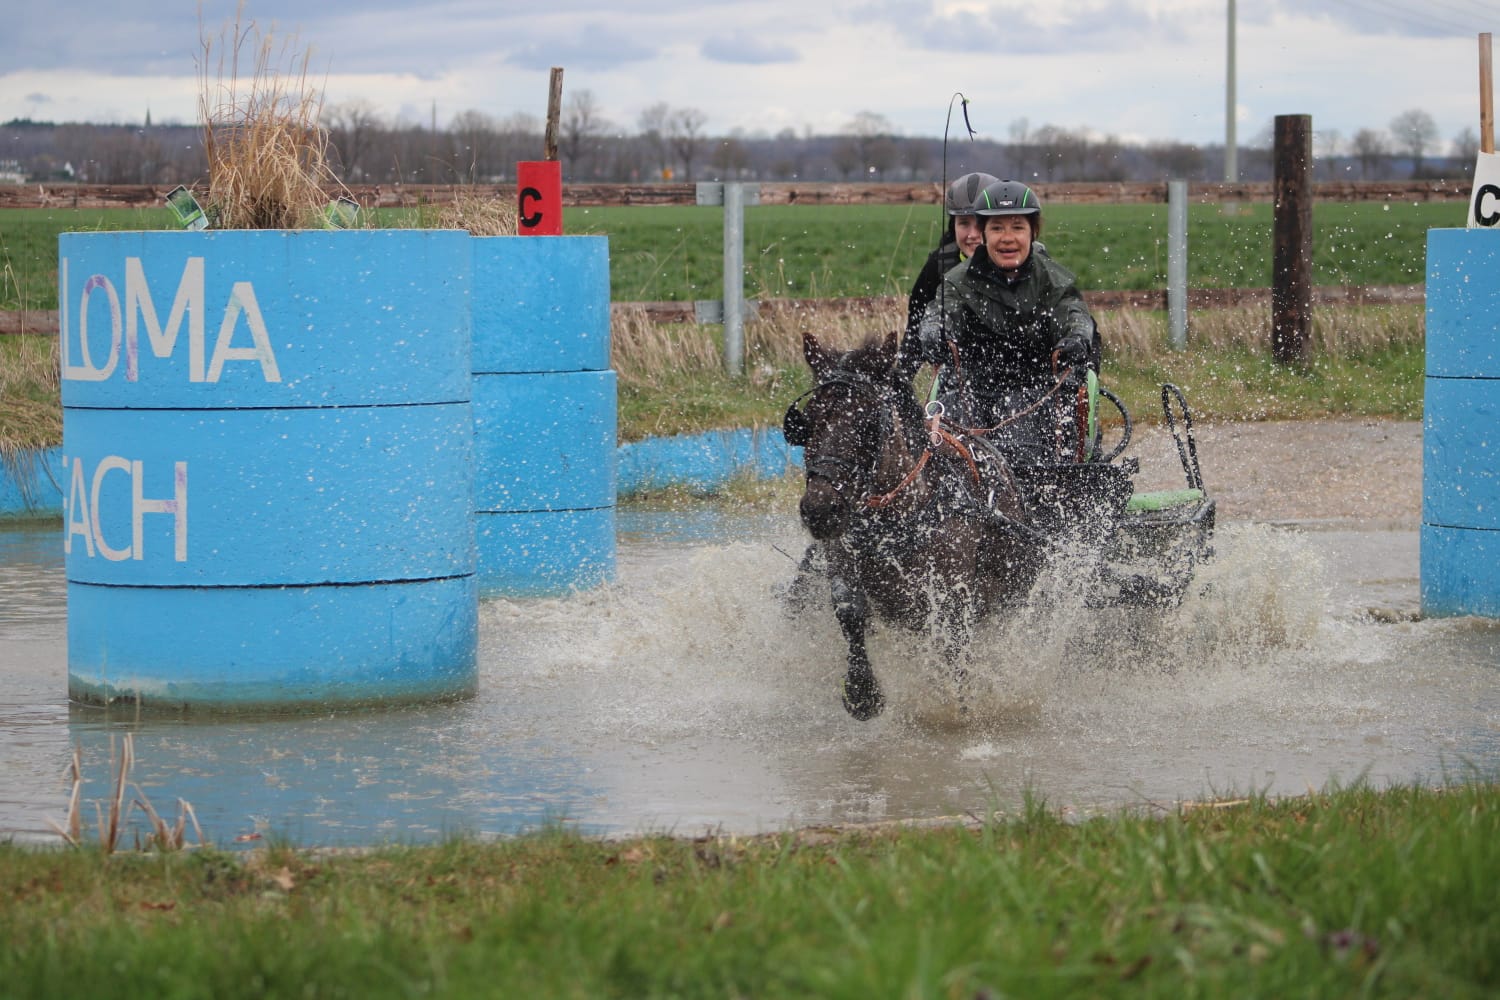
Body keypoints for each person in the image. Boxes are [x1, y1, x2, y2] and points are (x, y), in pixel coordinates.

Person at [897, 178, 1099, 465]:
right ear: (984, 234)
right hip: (969, 388)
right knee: (948, 450)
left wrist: (1076, 336)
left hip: (1036, 389)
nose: (1007, 238)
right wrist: (934, 330)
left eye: (1017, 227)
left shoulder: (1052, 279)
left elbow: (1073, 312)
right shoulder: (956, 280)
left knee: (1019, 438)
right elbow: (941, 311)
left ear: (1033, 232)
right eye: (997, 228)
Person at [904, 171, 998, 342]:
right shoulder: (939, 264)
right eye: (964, 223)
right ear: (953, 225)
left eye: (980, 223)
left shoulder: (1021, 263)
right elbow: (914, 330)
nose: (972, 235)